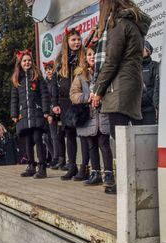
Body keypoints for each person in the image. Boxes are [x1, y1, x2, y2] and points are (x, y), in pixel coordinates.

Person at [91, 0, 151, 194]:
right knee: (133, 137)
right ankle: (138, 180)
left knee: (121, 139)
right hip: (132, 82)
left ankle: (124, 184)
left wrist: (98, 91)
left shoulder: (119, 24)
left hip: (119, 86)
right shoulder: (134, 23)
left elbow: (111, 61)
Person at [70, 45, 115, 187]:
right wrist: (87, 97)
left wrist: (101, 97)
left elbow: (112, 90)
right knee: (91, 145)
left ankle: (108, 173)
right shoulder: (80, 76)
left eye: (95, 54)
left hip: (103, 116)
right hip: (88, 116)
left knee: (104, 144)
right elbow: (73, 95)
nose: (92, 57)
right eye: (89, 54)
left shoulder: (105, 72)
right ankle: (95, 173)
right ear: (85, 57)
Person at [53, 28, 89, 180]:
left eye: (78, 40)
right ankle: (72, 166)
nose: (76, 42)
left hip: (80, 100)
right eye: (73, 40)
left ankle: (85, 167)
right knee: (69, 134)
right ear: (67, 42)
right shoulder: (61, 60)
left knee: (84, 134)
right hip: (65, 102)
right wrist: (54, 103)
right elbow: (55, 83)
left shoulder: (84, 57)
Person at [10, 49, 50, 179]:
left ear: (32, 62)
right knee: (27, 141)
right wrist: (14, 114)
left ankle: (42, 167)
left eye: (29, 60)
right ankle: (31, 165)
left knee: (38, 139)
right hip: (24, 114)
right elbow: (14, 98)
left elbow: (44, 94)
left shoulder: (37, 76)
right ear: (20, 63)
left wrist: (46, 110)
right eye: (24, 61)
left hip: (37, 112)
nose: (27, 63)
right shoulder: (17, 79)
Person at [43, 61, 61, 168]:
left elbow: (55, 98)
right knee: (45, 137)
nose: (49, 71)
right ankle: (53, 156)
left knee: (54, 135)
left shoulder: (56, 81)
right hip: (46, 113)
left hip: (54, 113)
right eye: (47, 70)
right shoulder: (45, 83)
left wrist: (51, 114)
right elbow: (44, 99)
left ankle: (56, 157)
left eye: (50, 69)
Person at [138, 40, 159, 125]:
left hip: (149, 109)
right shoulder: (134, 67)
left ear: (148, 51)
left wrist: (154, 104)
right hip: (135, 110)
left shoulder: (155, 65)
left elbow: (156, 87)